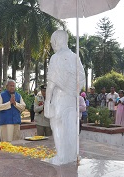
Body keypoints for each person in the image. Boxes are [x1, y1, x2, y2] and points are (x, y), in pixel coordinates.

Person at [44, 30, 85, 165]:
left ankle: (61, 157)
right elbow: (82, 79)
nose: (52, 44)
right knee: (71, 126)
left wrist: (47, 102)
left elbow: (51, 82)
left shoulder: (55, 57)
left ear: (57, 40)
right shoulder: (75, 57)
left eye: (52, 41)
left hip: (59, 98)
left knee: (58, 125)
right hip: (72, 99)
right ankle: (72, 155)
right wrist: (73, 90)